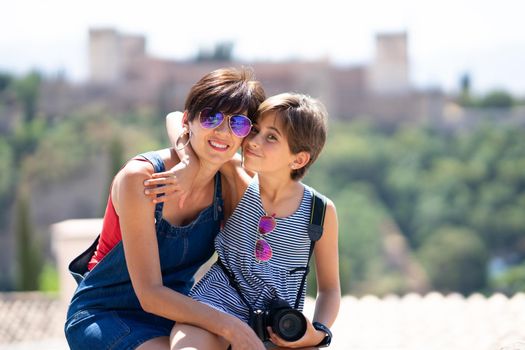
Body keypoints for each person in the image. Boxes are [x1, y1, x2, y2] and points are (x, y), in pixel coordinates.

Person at [64, 67, 267, 350]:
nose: (223, 131)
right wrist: (230, 326)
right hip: (106, 314)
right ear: (189, 121)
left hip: (180, 315)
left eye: (239, 124)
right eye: (212, 117)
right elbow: (149, 293)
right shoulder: (142, 178)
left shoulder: (229, 184)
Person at [149, 93, 340, 349]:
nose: (253, 141)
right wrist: (188, 162)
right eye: (256, 130)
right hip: (213, 309)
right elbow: (174, 118)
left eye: (271, 137)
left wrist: (318, 333)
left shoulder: (319, 211)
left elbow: (329, 289)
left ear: (299, 159)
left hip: (276, 328)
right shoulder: (236, 175)